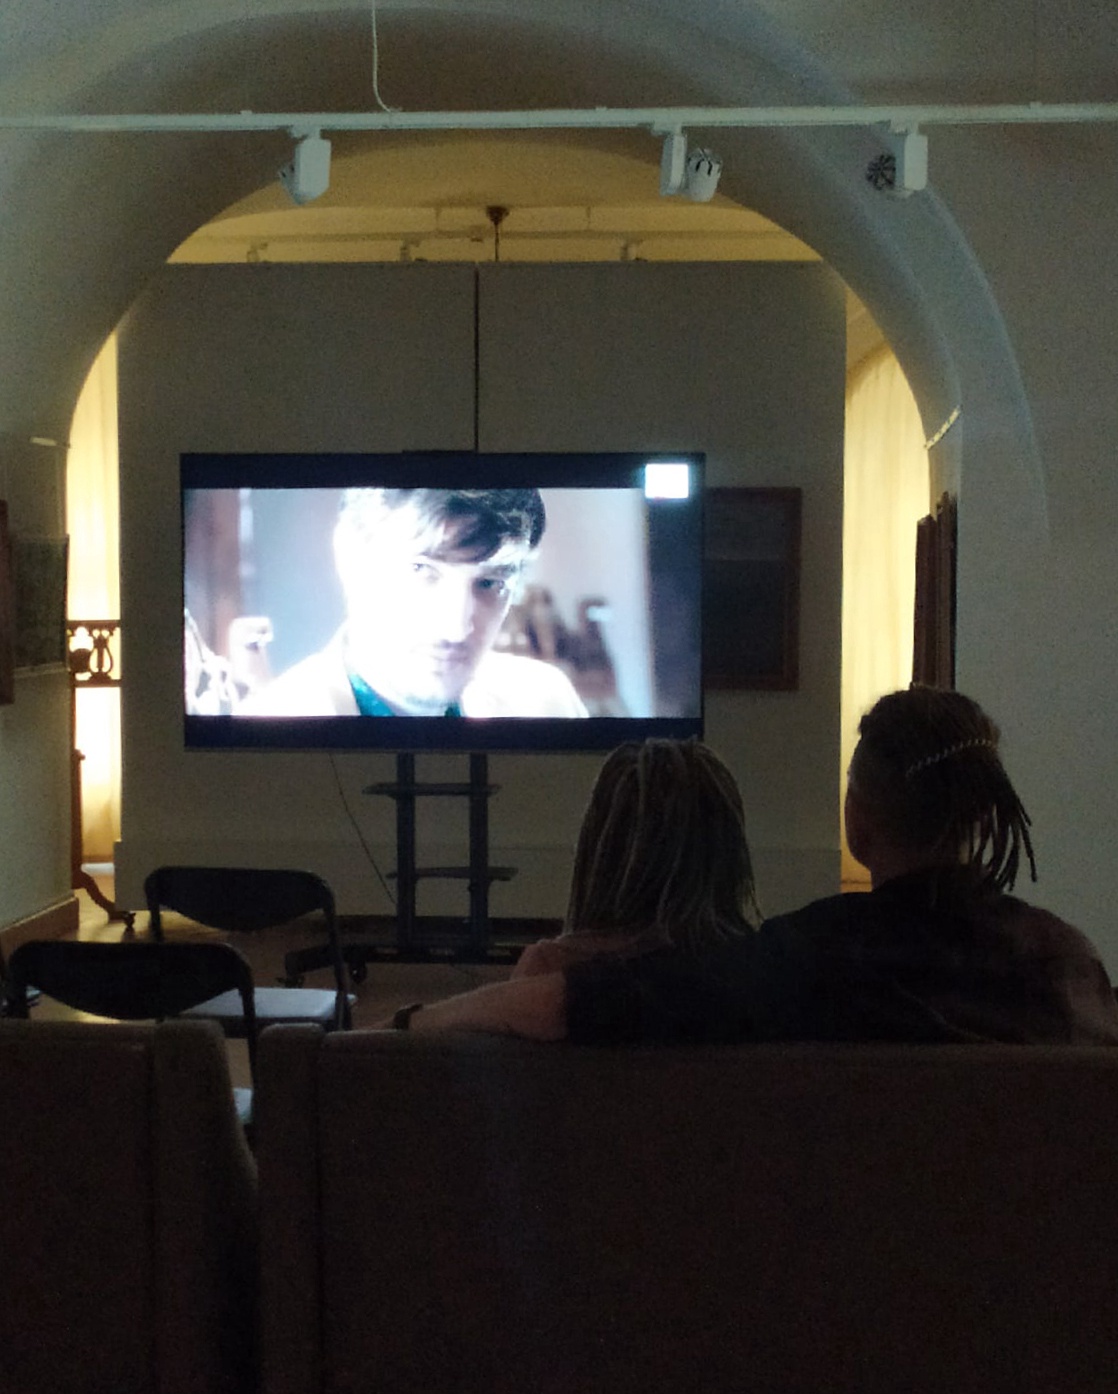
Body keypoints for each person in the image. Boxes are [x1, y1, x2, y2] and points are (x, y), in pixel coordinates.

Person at [383, 689, 1118, 1045]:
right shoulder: (1068, 963)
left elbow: (578, 1003)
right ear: (983, 817)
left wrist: (410, 1020)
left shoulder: (812, 959)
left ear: (857, 822)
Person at [377, 736, 764, 1039]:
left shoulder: (548, 975)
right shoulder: (762, 979)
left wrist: (404, 1023)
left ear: (601, 848)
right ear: (729, 851)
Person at [236, 487, 588, 719]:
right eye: (422, 570)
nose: (456, 628)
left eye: (489, 583)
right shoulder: (270, 726)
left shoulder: (548, 702)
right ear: (350, 556)